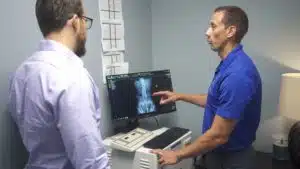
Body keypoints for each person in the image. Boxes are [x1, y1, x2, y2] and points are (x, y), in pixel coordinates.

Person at [152, 6, 262, 169]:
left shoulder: (238, 74)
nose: (207, 32)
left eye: (213, 26)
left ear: (230, 31)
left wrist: (178, 154)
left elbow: (218, 135)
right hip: (218, 154)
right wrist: (179, 96)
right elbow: (217, 101)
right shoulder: (230, 64)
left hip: (231, 160)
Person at [8, 0, 110, 169]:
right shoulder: (72, 77)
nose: (85, 26)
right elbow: (92, 163)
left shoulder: (21, 74)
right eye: (85, 20)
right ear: (75, 22)